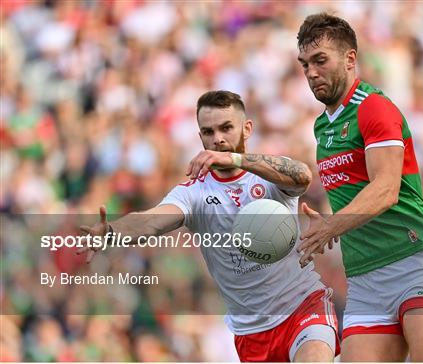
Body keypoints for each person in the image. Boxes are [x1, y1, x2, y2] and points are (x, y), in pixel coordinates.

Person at [77, 90, 339, 362]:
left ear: (246, 128)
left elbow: (302, 176)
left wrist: (235, 159)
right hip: (252, 332)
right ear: (200, 136)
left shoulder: (268, 176)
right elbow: (151, 221)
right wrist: (112, 232)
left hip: (304, 306)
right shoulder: (193, 193)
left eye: (226, 128)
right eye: (208, 132)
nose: (218, 139)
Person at [295, 13, 423, 362]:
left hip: (413, 260)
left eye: (320, 60)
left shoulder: (374, 108)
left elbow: (387, 189)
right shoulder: (322, 127)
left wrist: (329, 226)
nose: (311, 72)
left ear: (350, 58)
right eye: (305, 64)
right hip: (365, 279)